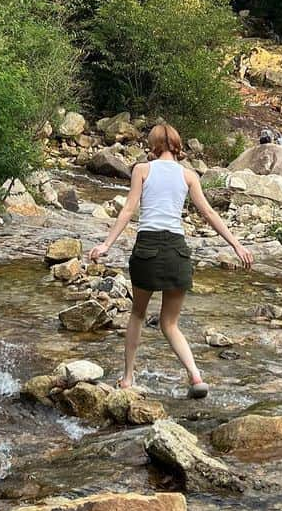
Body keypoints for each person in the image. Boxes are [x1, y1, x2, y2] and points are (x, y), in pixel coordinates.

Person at [87, 123, 253, 398]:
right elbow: (209, 214)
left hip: (148, 248)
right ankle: (196, 376)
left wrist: (106, 244)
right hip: (177, 251)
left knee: (138, 314)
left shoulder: (142, 169)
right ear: (178, 146)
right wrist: (237, 245)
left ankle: (128, 378)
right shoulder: (189, 176)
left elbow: (129, 209)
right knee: (170, 323)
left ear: (153, 146)